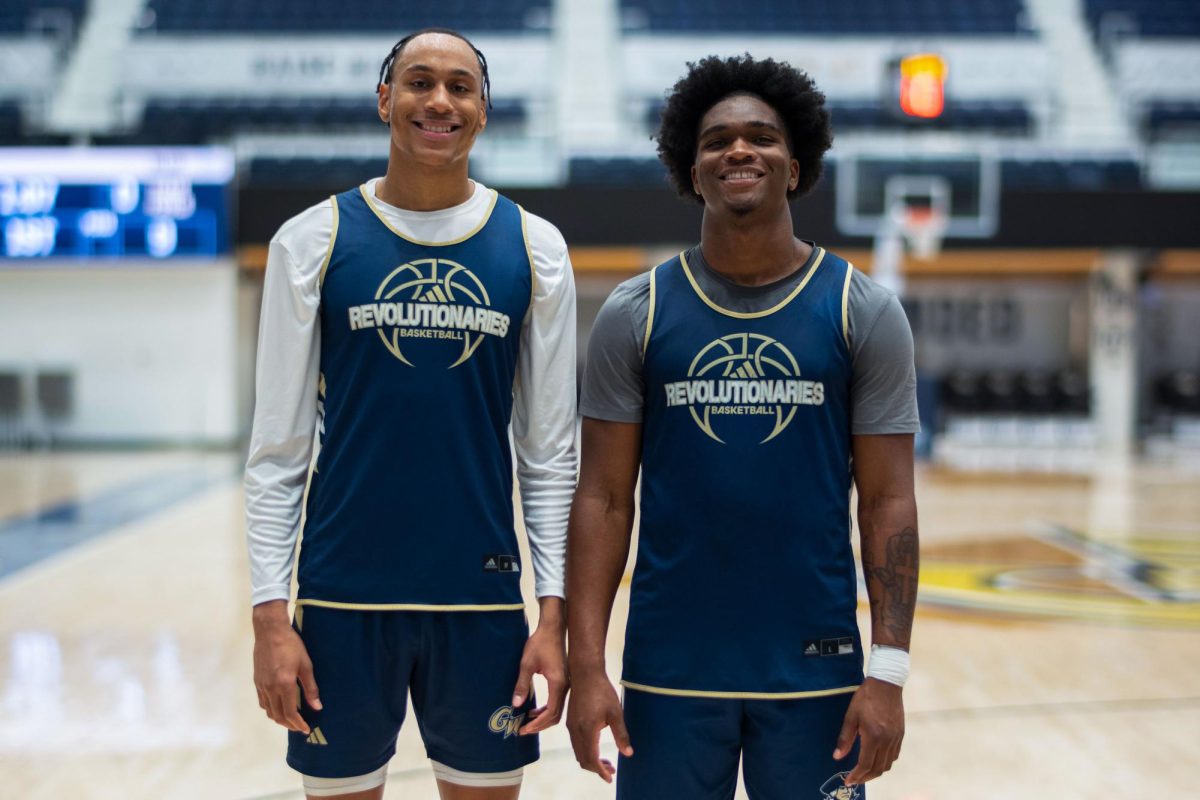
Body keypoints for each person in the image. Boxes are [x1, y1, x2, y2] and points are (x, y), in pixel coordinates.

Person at [565, 54, 919, 800]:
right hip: (669, 672)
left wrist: (887, 673)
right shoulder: (637, 312)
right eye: (717, 140)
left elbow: (888, 501)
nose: (739, 150)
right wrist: (587, 664)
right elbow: (602, 498)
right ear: (691, 171)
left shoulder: (864, 311)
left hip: (815, 670)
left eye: (762, 137)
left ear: (796, 166)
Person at [244, 28, 576, 800]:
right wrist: (269, 619)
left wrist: (551, 619)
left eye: (461, 87)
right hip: (339, 603)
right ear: (385, 99)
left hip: (483, 603)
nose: (440, 100)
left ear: (484, 111)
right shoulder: (311, 241)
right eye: (420, 82)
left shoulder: (536, 247)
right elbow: (278, 452)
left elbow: (549, 455)